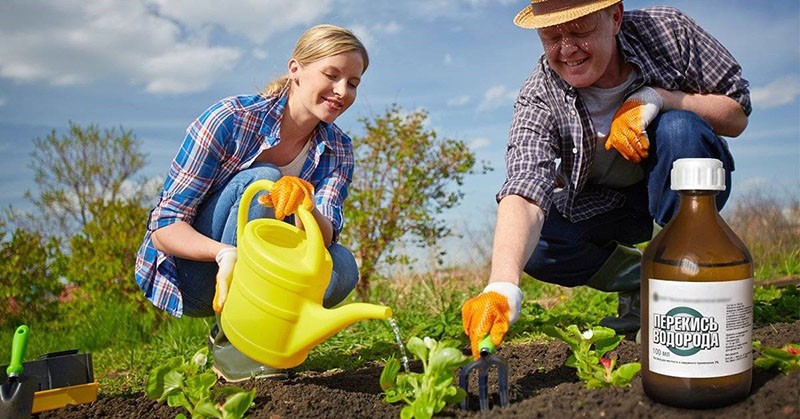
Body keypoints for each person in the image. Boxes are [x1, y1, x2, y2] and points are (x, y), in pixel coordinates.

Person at [461, 0, 750, 359]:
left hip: (681, 190)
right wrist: (502, 285)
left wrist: (657, 98)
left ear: (614, 18)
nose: (566, 49)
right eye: (551, 36)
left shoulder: (668, 32)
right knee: (534, 246)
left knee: (679, 127)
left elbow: (736, 115)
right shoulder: (539, 96)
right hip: (606, 208)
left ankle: (685, 289)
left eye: (579, 30)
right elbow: (524, 187)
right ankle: (644, 281)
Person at [135, 24, 369, 381]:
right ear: (296, 70)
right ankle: (233, 341)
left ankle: (264, 335)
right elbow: (164, 228)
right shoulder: (229, 120)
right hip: (201, 274)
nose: (341, 91)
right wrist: (225, 253)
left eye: (352, 83)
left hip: (266, 277)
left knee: (343, 266)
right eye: (331, 75)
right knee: (263, 181)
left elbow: (325, 237)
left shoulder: (339, 149)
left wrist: (306, 204)